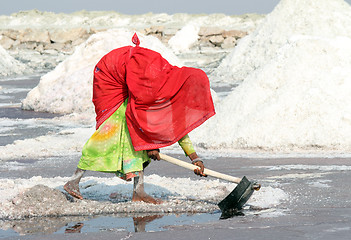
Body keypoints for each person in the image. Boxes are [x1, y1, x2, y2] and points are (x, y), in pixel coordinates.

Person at [64, 33, 215, 204]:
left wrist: (195, 158)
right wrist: (151, 145)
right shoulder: (157, 90)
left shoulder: (172, 91)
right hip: (112, 77)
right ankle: (73, 181)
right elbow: (140, 115)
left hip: (132, 80)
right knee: (110, 136)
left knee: (137, 140)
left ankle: (138, 192)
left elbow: (177, 128)